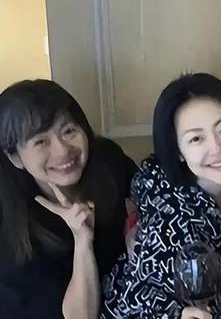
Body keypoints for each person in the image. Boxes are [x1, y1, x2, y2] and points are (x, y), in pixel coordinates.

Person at [101, 73, 221, 319]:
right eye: (196, 138)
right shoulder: (170, 223)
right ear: (179, 152)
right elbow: (135, 303)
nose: (217, 147)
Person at [0, 79, 137, 319]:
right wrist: (82, 242)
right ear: (15, 157)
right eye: (40, 141)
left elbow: (147, 195)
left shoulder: (107, 162)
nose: (63, 150)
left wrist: (136, 224)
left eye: (69, 131)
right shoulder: (11, 231)